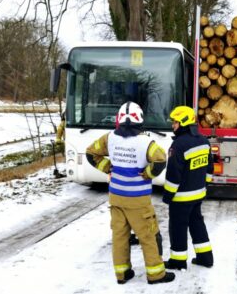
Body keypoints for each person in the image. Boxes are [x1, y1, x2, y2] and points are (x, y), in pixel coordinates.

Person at [86, 101, 175, 285]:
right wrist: (148, 173)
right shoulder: (146, 142)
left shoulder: (109, 138)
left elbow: (90, 153)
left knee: (119, 236)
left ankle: (123, 273)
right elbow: (160, 160)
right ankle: (156, 274)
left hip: (116, 197)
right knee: (148, 237)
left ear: (119, 119)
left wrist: (108, 168)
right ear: (139, 119)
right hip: (138, 200)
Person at [163, 105, 214, 270]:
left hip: (181, 197)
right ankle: (205, 258)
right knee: (197, 224)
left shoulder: (178, 145)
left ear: (184, 122)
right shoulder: (204, 141)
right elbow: (209, 169)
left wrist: (168, 196)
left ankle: (177, 261)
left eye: (175, 122)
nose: (173, 125)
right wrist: (204, 186)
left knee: (178, 228)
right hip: (198, 195)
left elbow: (173, 175)